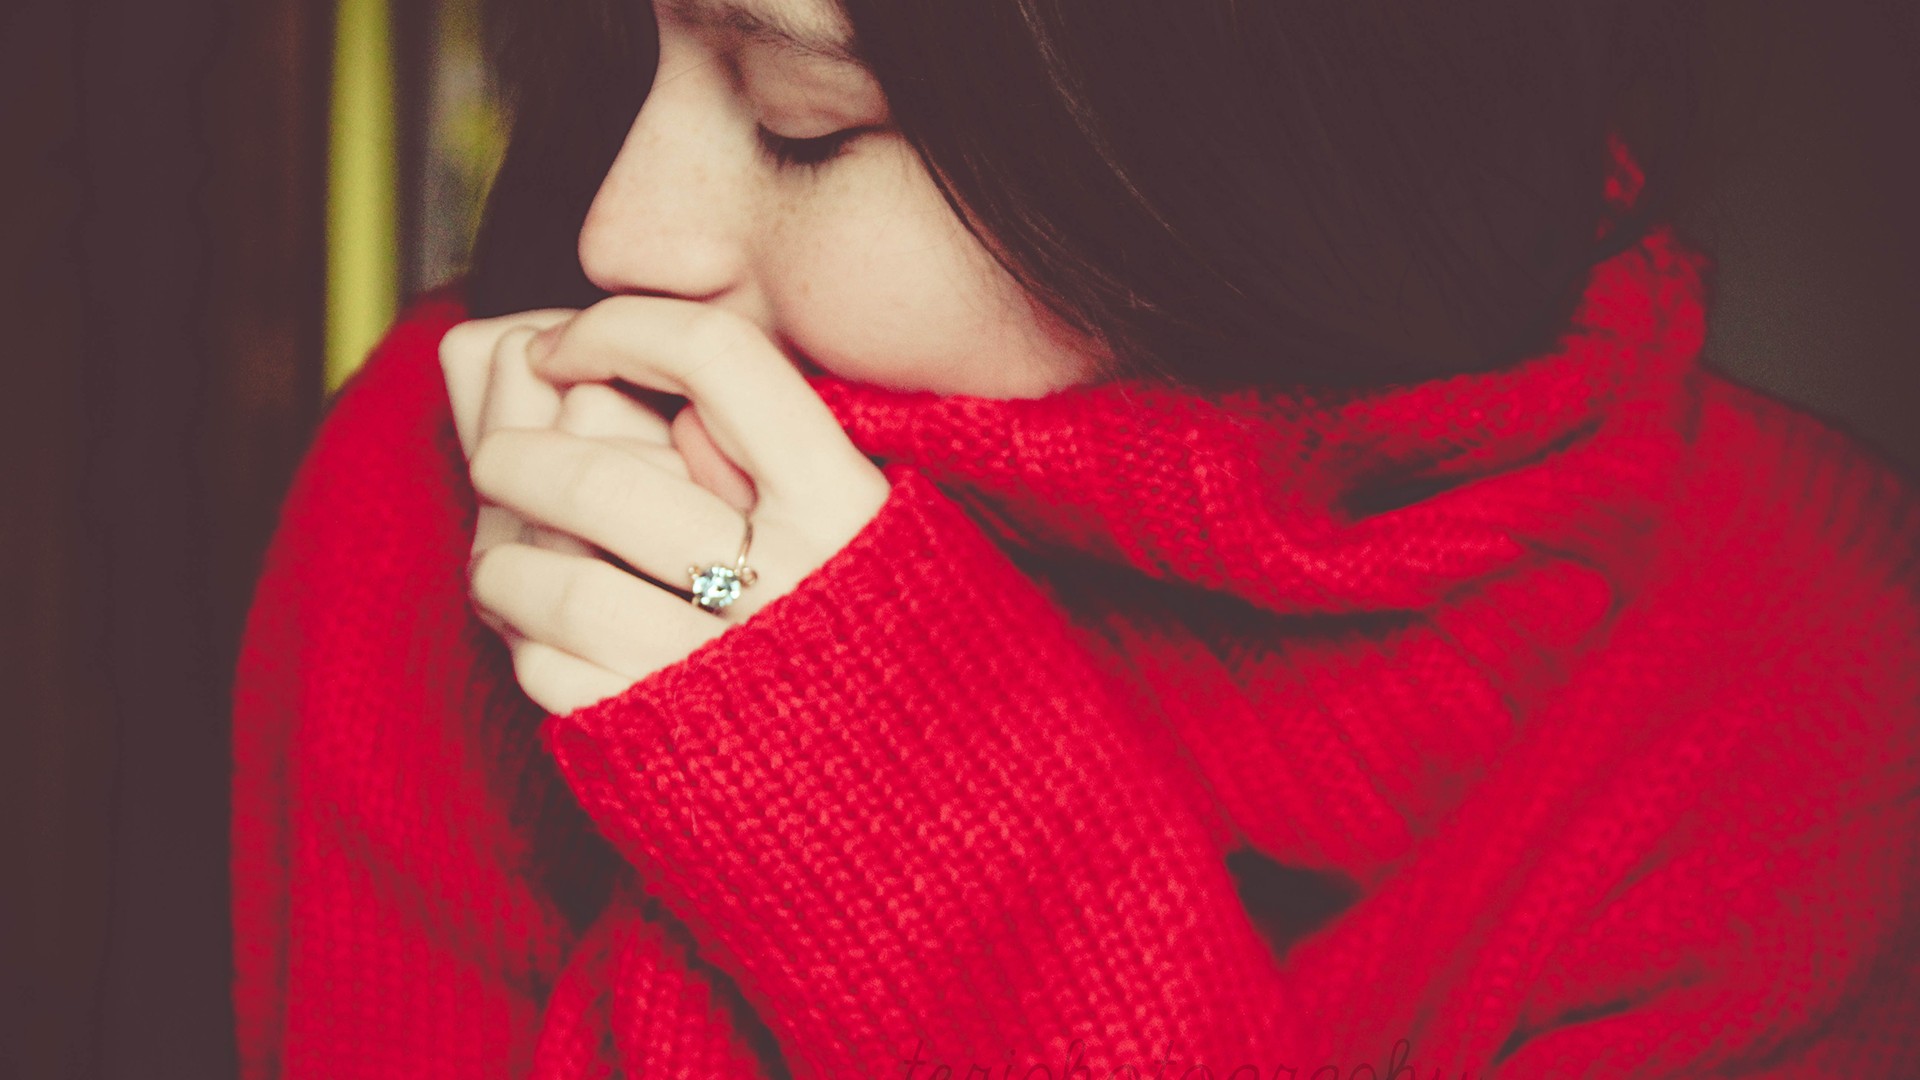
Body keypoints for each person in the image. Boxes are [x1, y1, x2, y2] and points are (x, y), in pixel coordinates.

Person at [231, 0, 1920, 1076]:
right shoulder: (473, 481)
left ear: (1246, 139)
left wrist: (917, 852)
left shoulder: (1798, 663)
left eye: (805, 118)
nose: (623, 230)